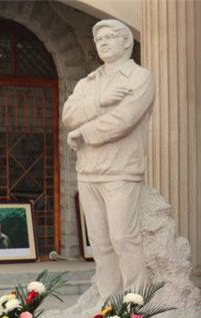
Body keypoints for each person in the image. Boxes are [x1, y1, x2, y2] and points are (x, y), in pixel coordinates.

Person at [62, 19, 155, 299]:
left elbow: (124, 120)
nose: (103, 42)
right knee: (100, 244)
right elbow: (69, 115)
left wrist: (83, 132)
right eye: (99, 39)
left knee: (123, 238)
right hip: (88, 170)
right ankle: (109, 302)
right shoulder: (88, 82)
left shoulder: (139, 77)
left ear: (126, 42)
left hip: (120, 169)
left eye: (110, 37)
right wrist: (101, 100)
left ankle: (136, 302)